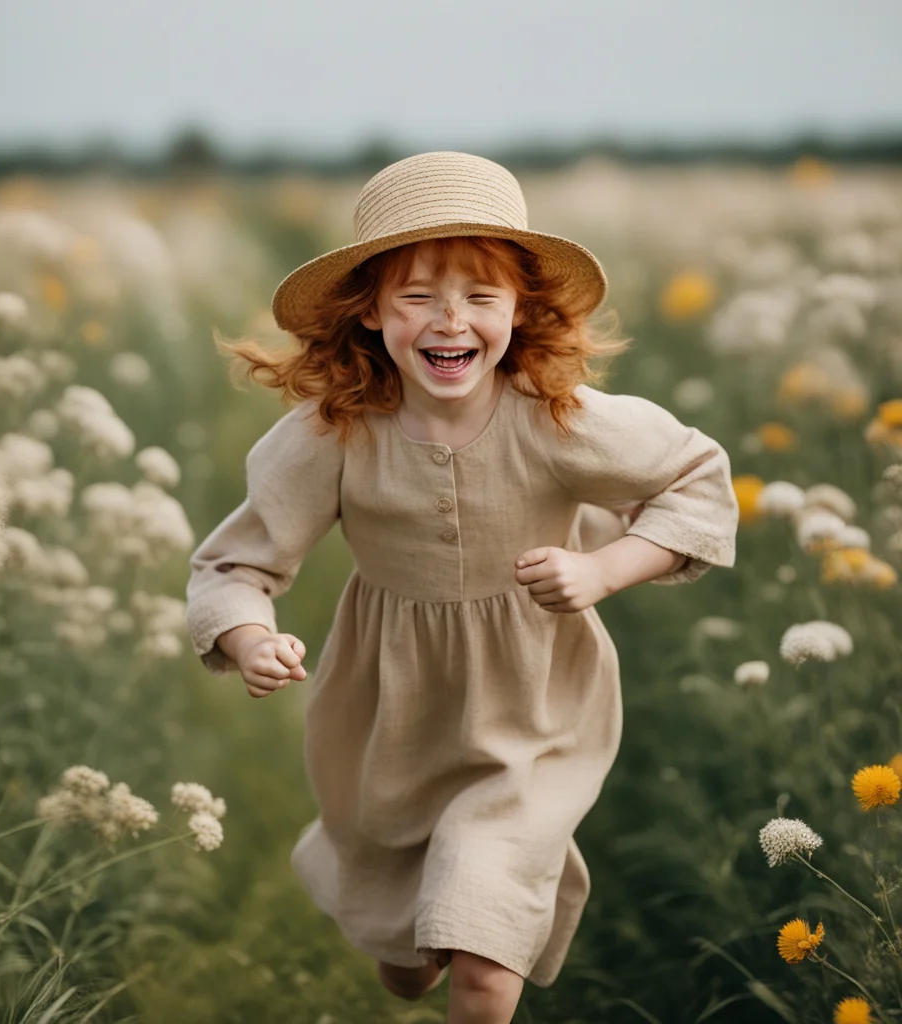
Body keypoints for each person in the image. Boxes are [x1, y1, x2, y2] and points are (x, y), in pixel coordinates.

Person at [186, 151, 738, 1023]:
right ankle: (397, 929)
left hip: (535, 716)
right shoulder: (334, 435)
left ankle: (473, 927)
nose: (452, 320)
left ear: (521, 308)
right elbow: (234, 564)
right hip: (389, 721)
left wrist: (602, 568)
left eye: (481, 296)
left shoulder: (560, 419)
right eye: (418, 295)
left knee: (481, 962)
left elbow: (696, 480)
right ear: (369, 309)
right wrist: (250, 638)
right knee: (408, 959)